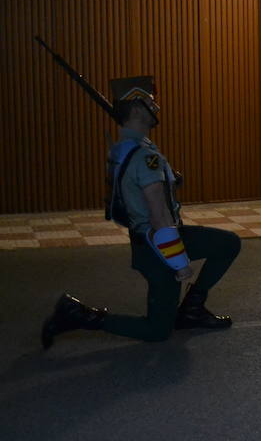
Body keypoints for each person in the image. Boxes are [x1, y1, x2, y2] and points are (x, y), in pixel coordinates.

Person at [41, 76, 241, 348]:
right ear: (136, 110)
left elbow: (132, 188)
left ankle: (193, 308)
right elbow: (159, 215)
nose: (155, 106)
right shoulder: (146, 157)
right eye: (149, 101)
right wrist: (180, 264)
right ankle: (79, 315)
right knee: (157, 330)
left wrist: (169, 181)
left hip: (149, 237)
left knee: (227, 243)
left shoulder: (125, 149)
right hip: (158, 245)